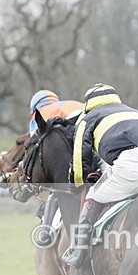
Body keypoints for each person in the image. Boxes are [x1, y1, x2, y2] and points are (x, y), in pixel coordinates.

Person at [61, 83, 138, 269]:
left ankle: (79, 251)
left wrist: (75, 183)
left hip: (130, 167)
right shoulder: (135, 113)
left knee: (93, 195)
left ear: (88, 105)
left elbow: (80, 160)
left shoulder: (88, 119)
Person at [27, 90, 84, 247]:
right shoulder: (70, 105)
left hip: (78, 151)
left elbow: (36, 148)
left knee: (57, 191)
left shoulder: (40, 116)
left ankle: (46, 231)